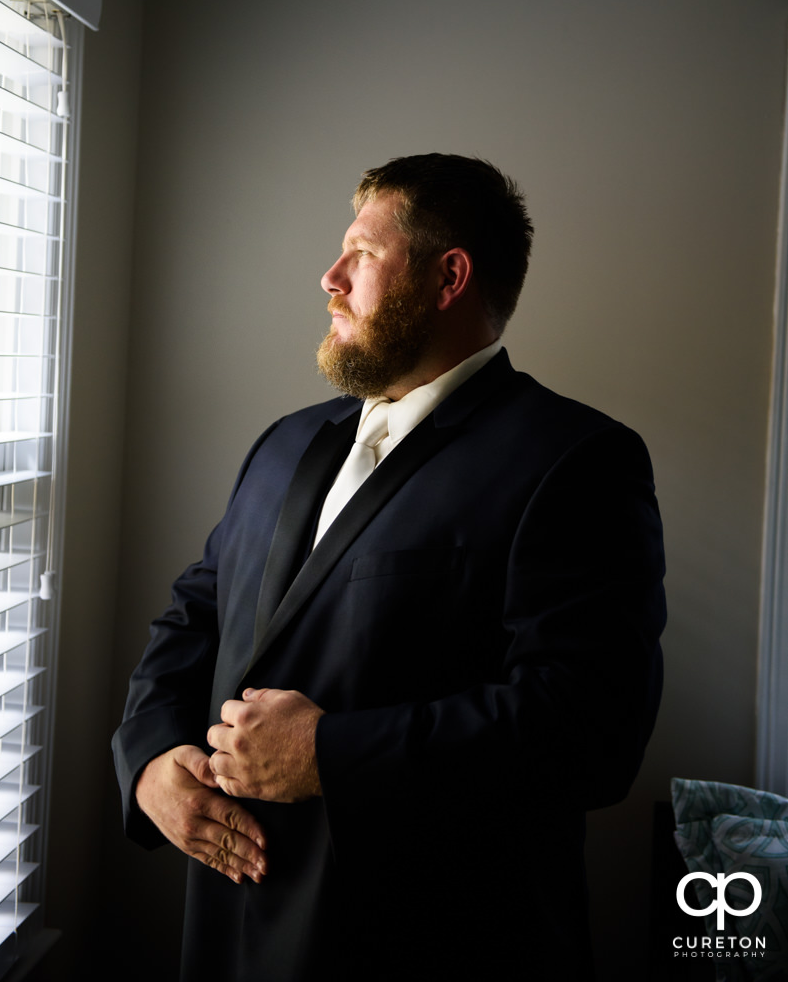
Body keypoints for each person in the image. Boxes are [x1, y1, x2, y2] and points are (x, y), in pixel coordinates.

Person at [113, 153, 666, 982]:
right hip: (224, 932)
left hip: (421, 943)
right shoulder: (286, 442)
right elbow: (195, 614)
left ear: (448, 278)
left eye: (363, 255)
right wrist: (150, 760)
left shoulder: (575, 460)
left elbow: (589, 729)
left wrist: (332, 753)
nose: (330, 278)